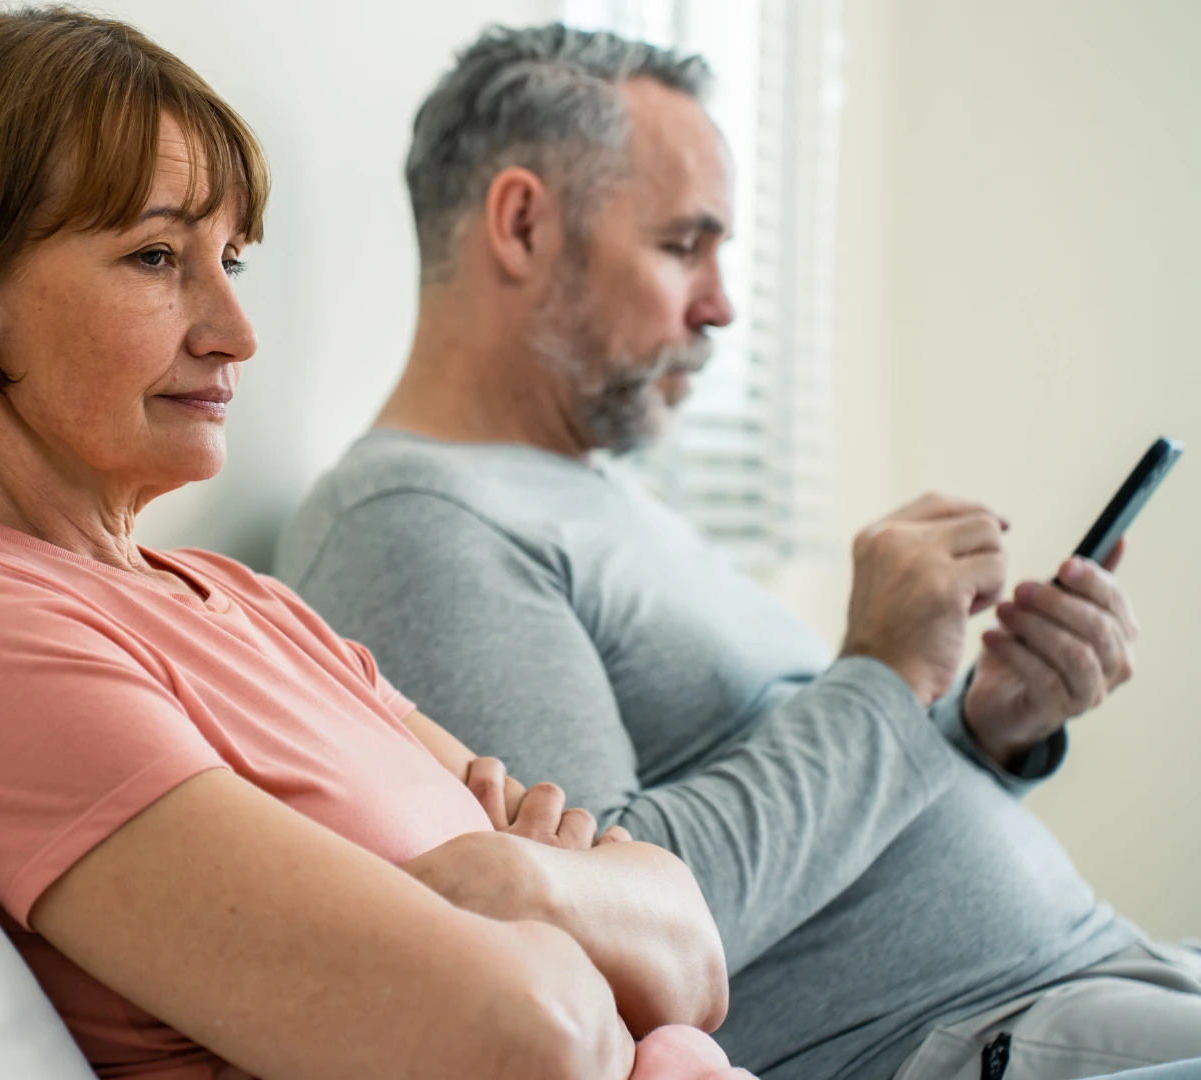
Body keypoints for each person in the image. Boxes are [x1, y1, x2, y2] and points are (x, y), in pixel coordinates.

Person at [0, 9, 750, 1079]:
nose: (235, 329)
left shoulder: (250, 603)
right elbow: (520, 1033)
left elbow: (694, 957)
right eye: (156, 255)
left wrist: (510, 885)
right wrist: (533, 900)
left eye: (230, 258)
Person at [275, 22, 1201, 1080]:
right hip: (989, 1040)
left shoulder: (597, 492)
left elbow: (827, 793)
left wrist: (983, 723)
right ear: (523, 224)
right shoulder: (414, 523)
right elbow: (612, 935)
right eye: (682, 246)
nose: (722, 304)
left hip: (1105, 984)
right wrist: (886, 674)